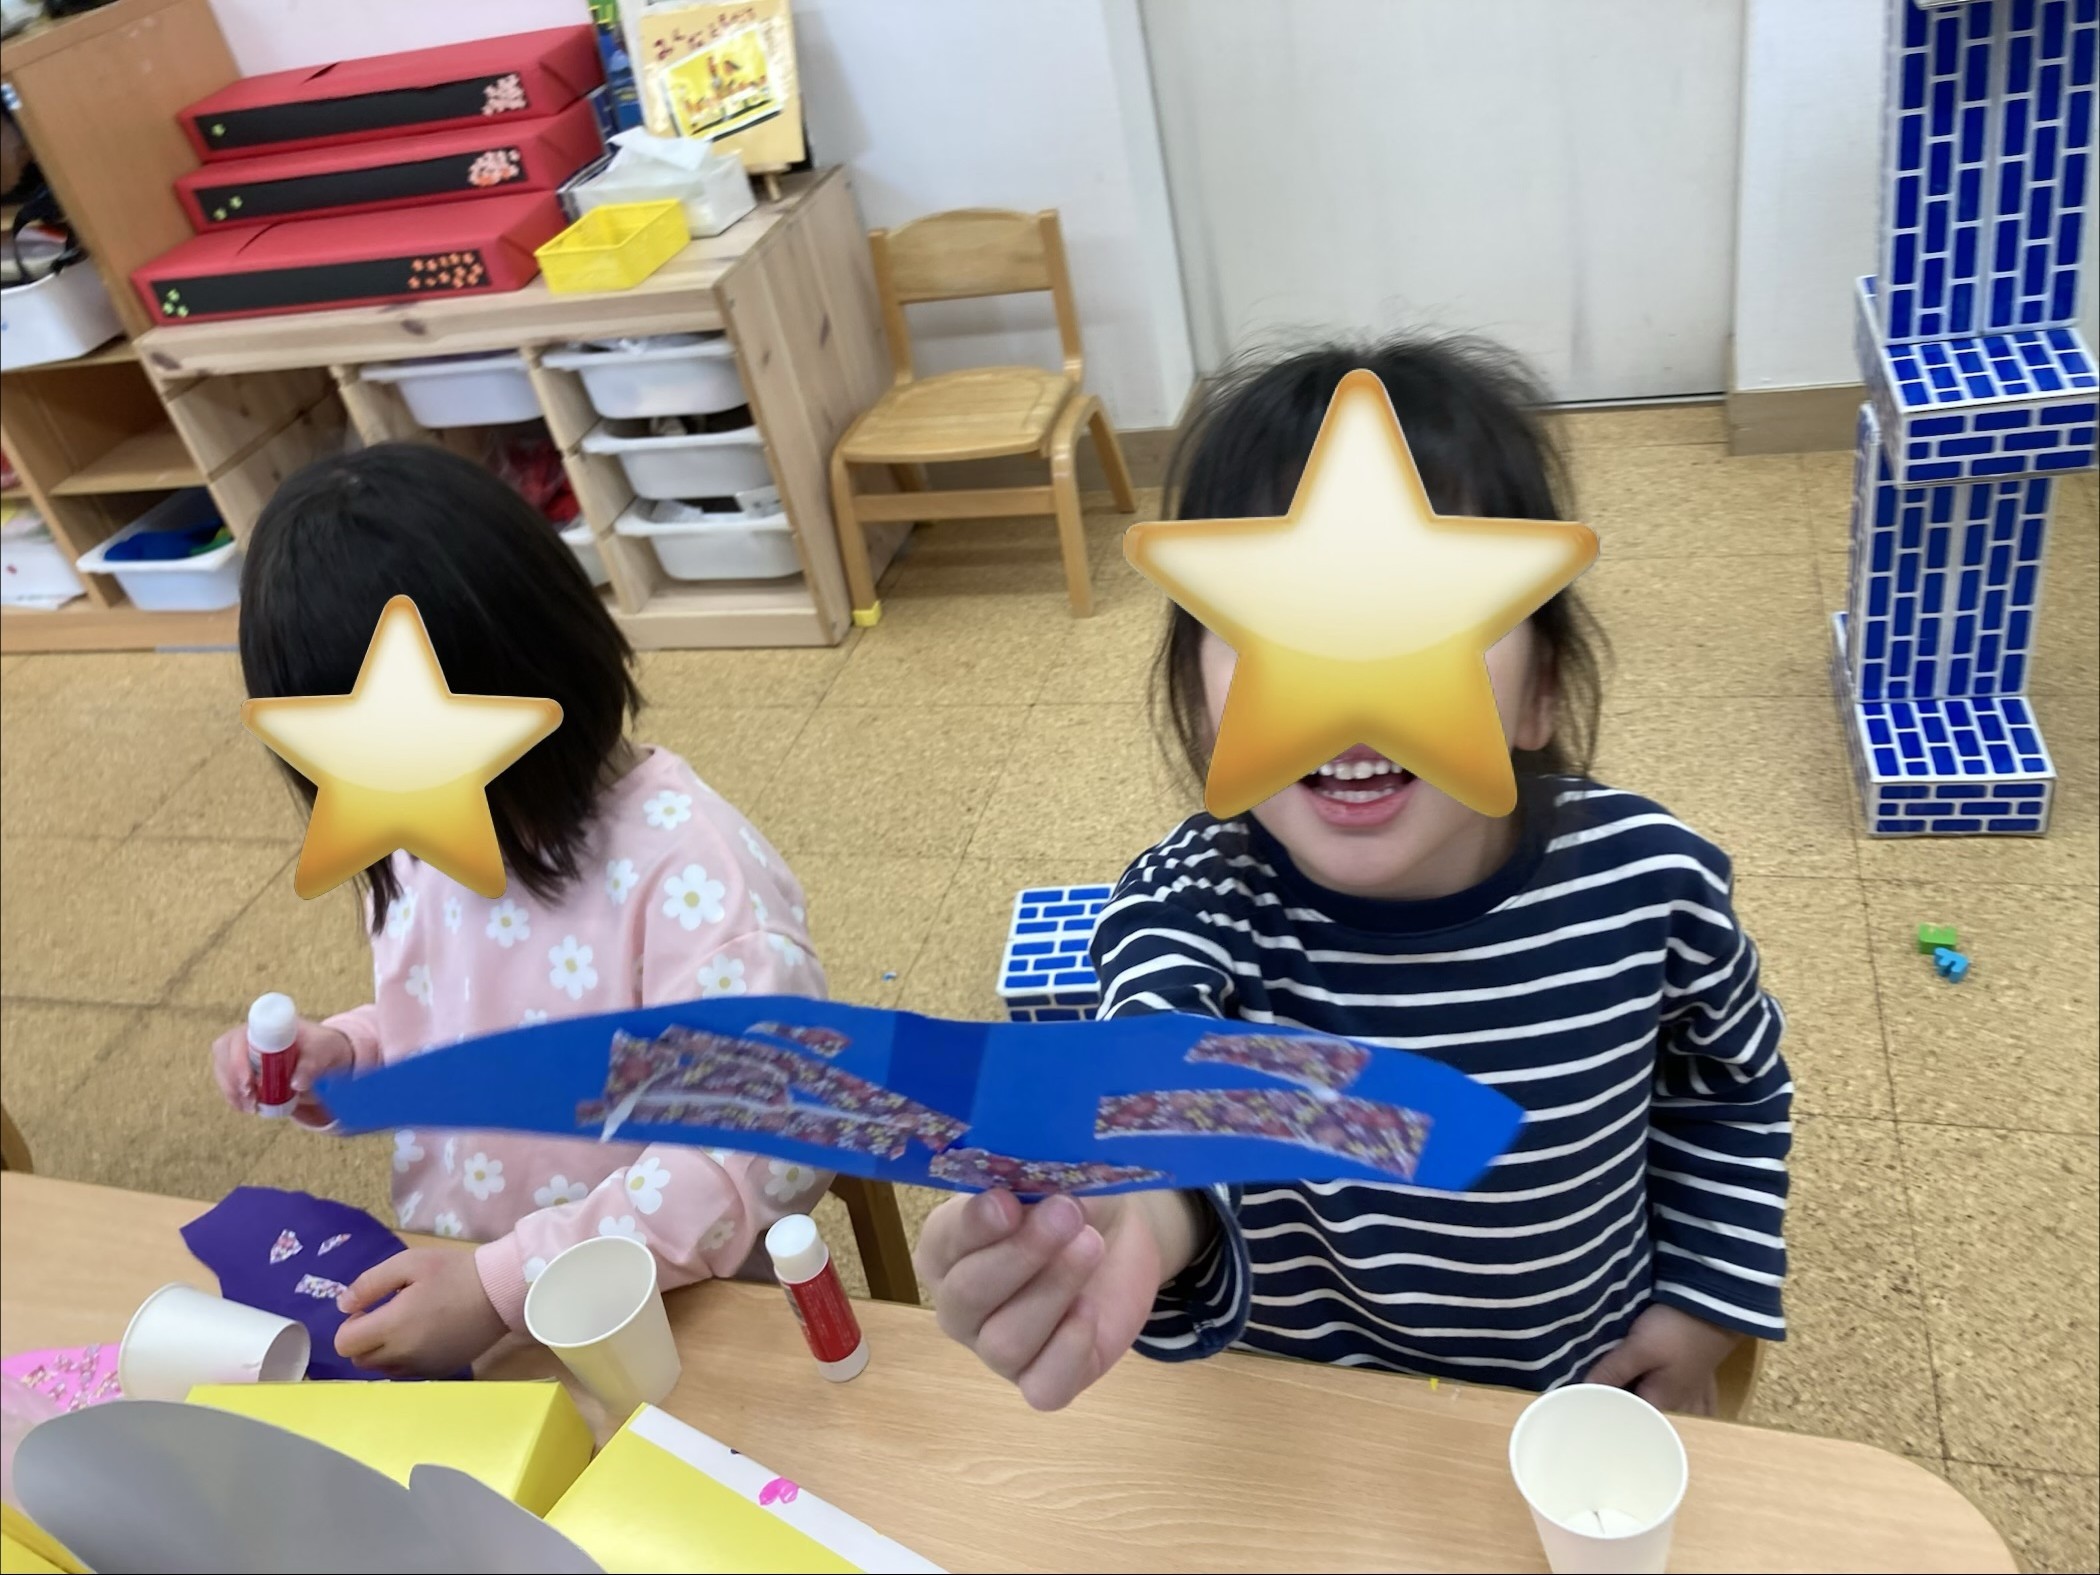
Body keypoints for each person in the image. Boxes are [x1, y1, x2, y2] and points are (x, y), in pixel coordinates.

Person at [915, 337, 1792, 1415]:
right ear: (1200, 703)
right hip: (1317, 1424)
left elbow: (1732, 1088)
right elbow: (1159, 1116)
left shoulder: (1652, 886)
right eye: (1275, 625)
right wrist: (1120, 1223)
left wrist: (1706, 1300)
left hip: (1575, 1401)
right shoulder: (1187, 915)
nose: (1351, 672)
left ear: (1541, 691)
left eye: (1422, 617)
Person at [208, 444, 830, 1378]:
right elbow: (459, 1013)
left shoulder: (696, 881)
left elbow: (747, 1160)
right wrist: (349, 1054)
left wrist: (502, 1286)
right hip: (469, 1284)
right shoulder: (421, 832)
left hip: (661, 1307)